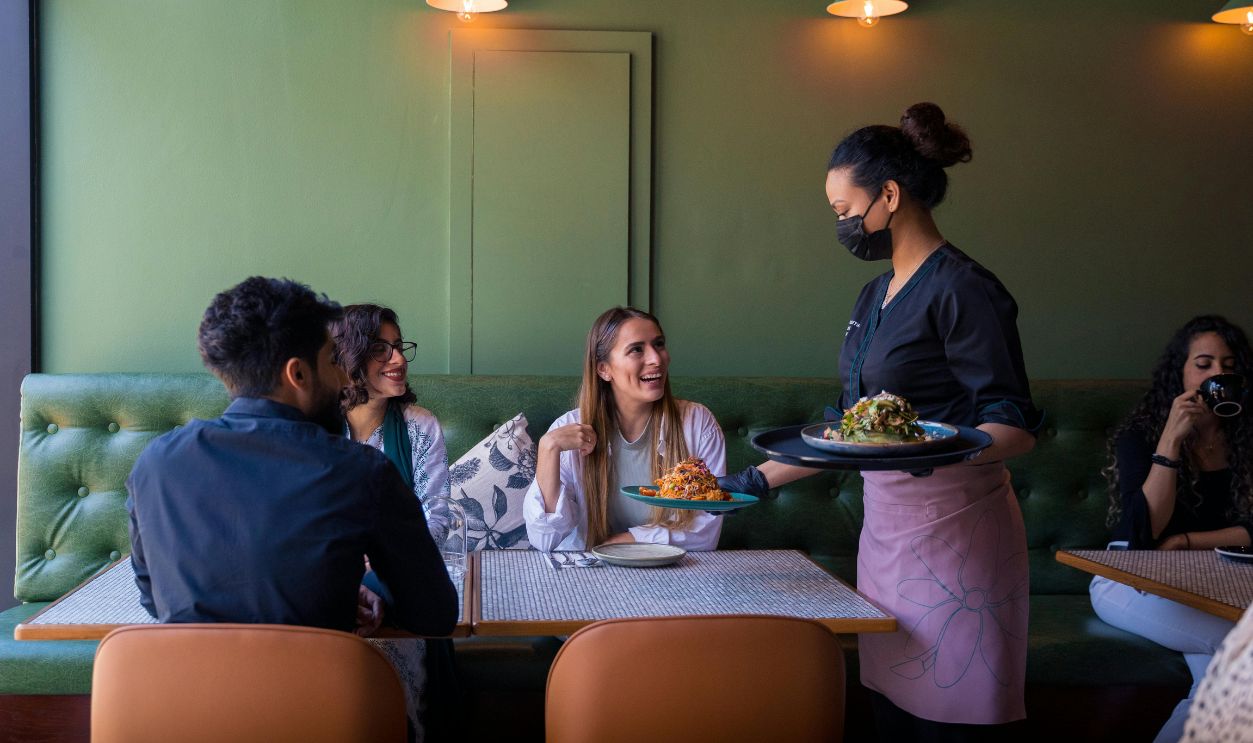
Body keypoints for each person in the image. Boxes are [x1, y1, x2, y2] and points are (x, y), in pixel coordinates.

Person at [720, 103, 1042, 739]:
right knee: (890, 713)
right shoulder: (874, 294)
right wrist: (749, 483)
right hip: (887, 536)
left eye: (845, 211)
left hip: (960, 539)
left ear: (889, 195)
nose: (841, 224)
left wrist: (929, 449)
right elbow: (848, 428)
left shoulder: (964, 288)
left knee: (955, 718)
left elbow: (1013, 425)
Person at [126, 276, 456, 639]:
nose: (344, 379)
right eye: (333, 360)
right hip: (317, 694)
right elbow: (434, 616)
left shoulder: (154, 465)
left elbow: (156, 600)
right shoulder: (361, 472)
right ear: (298, 374)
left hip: (188, 694)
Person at [1091, 315, 1253, 743]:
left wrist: (1185, 542)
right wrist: (1170, 441)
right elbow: (1143, 535)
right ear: (1181, 372)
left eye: (1228, 364)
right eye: (1204, 364)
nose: (1218, 373)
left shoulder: (1246, 438)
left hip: (1210, 585)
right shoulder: (1141, 434)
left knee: (1220, 687)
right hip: (1128, 580)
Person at [332, 303, 458, 741]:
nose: (399, 360)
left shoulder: (420, 428)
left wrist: (375, 580)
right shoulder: (316, 432)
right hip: (330, 598)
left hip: (402, 591)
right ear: (347, 358)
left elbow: (435, 521)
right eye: (381, 349)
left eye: (399, 347)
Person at [523, 306, 726, 551]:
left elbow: (705, 532)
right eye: (636, 349)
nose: (656, 359)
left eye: (659, 344)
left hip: (673, 573)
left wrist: (620, 542)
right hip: (588, 577)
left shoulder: (697, 423)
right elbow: (545, 539)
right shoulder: (567, 429)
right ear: (603, 369)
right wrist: (548, 448)